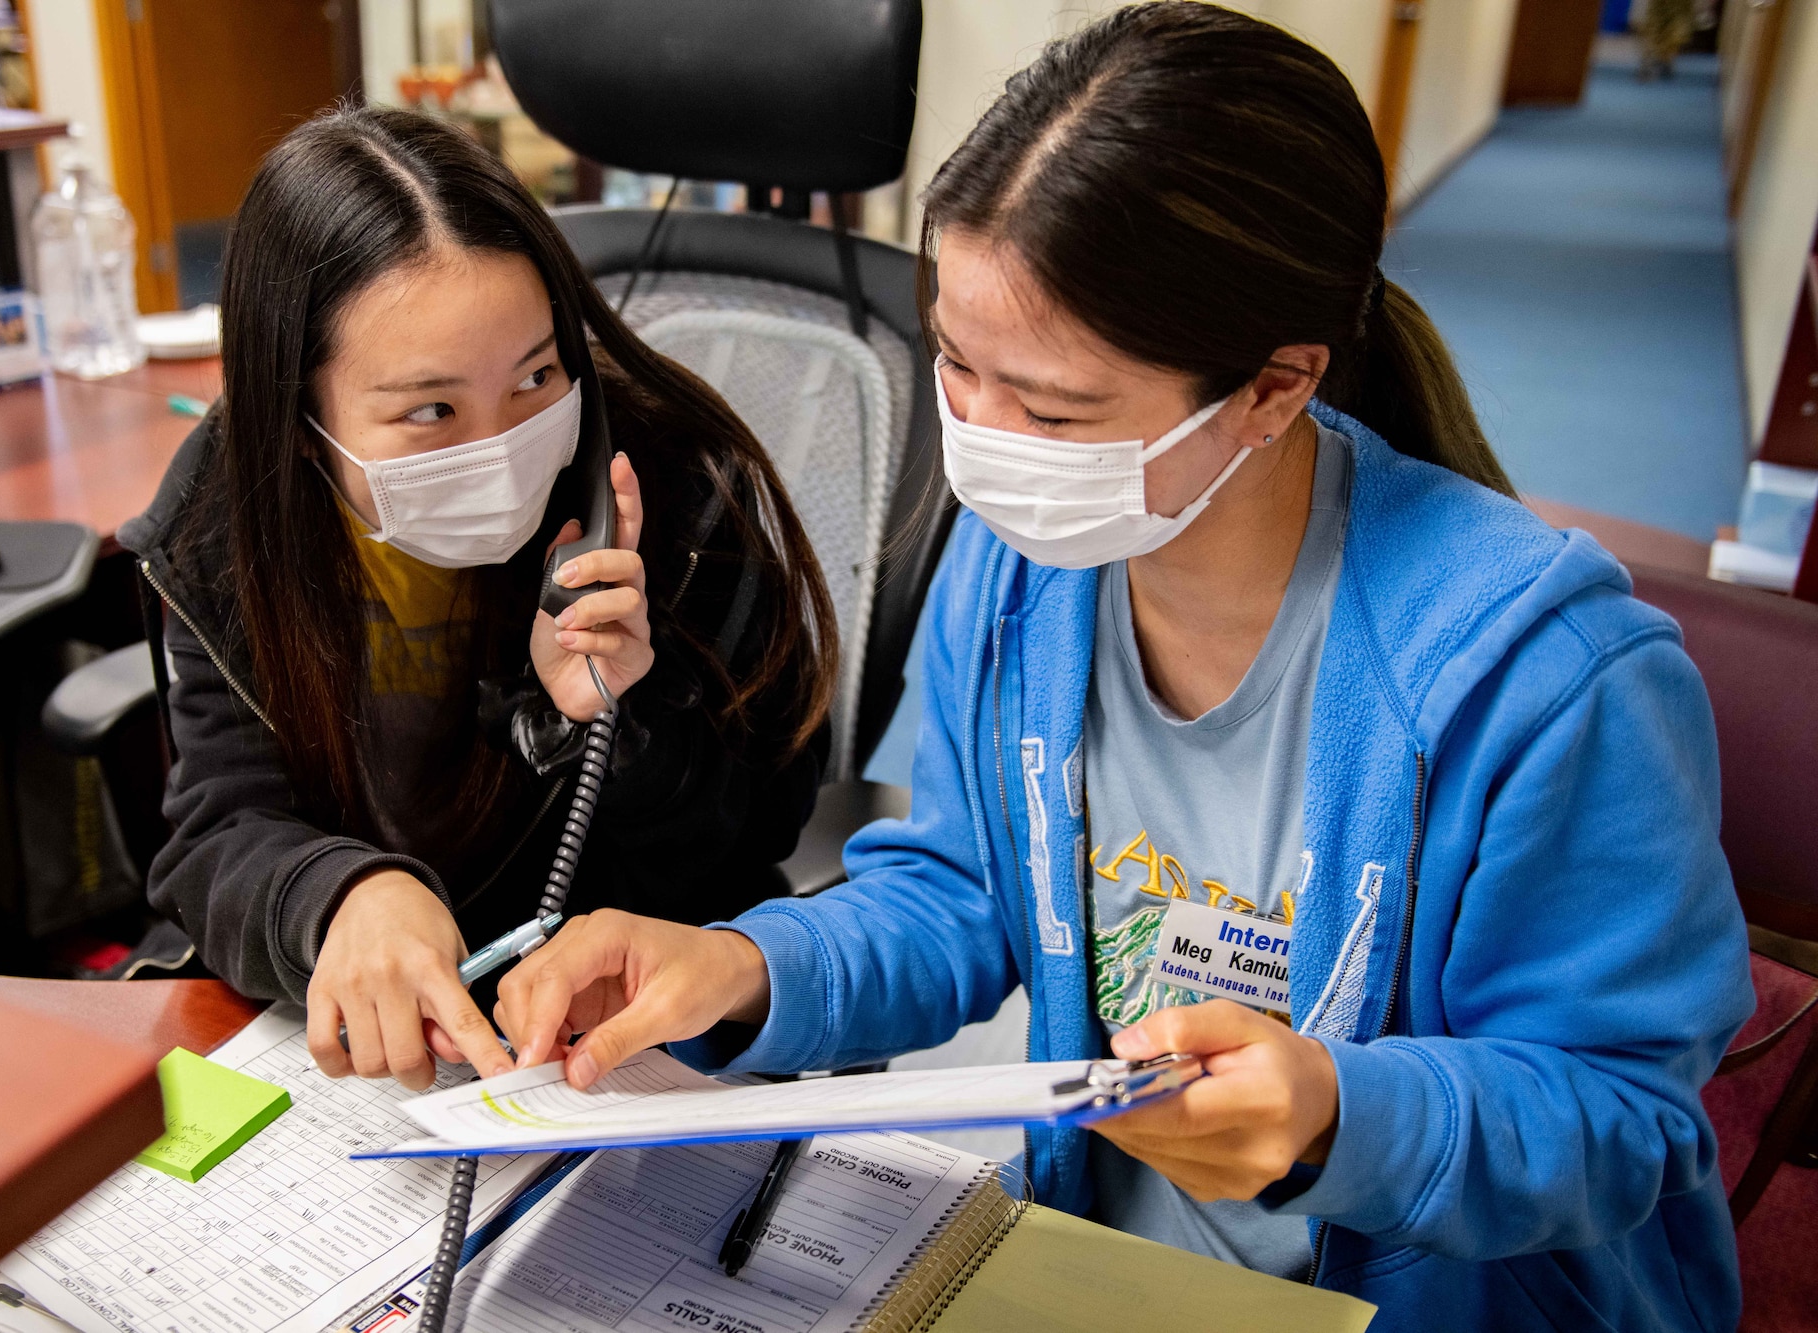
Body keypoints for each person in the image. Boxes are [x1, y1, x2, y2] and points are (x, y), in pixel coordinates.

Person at [492, 6, 1754, 1329]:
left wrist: (1339, 1115)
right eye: (958, 367)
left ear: (1272, 390)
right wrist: (749, 970)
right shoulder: (1022, 570)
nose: (981, 441)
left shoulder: (1545, 678)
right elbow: (965, 889)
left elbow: (1628, 1119)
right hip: (1111, 1266)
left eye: (1051, 411)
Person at [118, 107, 836, 1092]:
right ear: (295, 417)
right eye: (429, 410)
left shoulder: (669, 487)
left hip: (599, 1044)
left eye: (536, 374)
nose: (500, 442)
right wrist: (338, 897)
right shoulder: (227, 521)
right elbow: (217, 833)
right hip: (374, 1060)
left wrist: (621, 729)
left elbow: (754, 848)